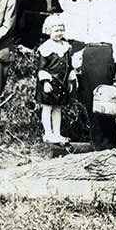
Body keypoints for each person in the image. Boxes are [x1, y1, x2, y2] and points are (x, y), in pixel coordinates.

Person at [66, 0, 116, 149]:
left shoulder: (110, 5)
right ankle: (97, 143)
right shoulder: (83, 7)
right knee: (89, 101)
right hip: (88, 53)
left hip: (103, 53)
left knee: (103, 102)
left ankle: (108, 145)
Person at [36, 15, 75, 143]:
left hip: (61, 83)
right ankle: (48, 133)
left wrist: (70, 79)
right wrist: (45, 82)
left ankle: (57, 134)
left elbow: (69, 65)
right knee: (47, 108)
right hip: (50, 84)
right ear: (49, 31)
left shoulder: (66, 47)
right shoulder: (46, 48)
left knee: (58, 108)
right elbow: (42, 68)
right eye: (56, 31)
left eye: (61, 30)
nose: (59, 33)